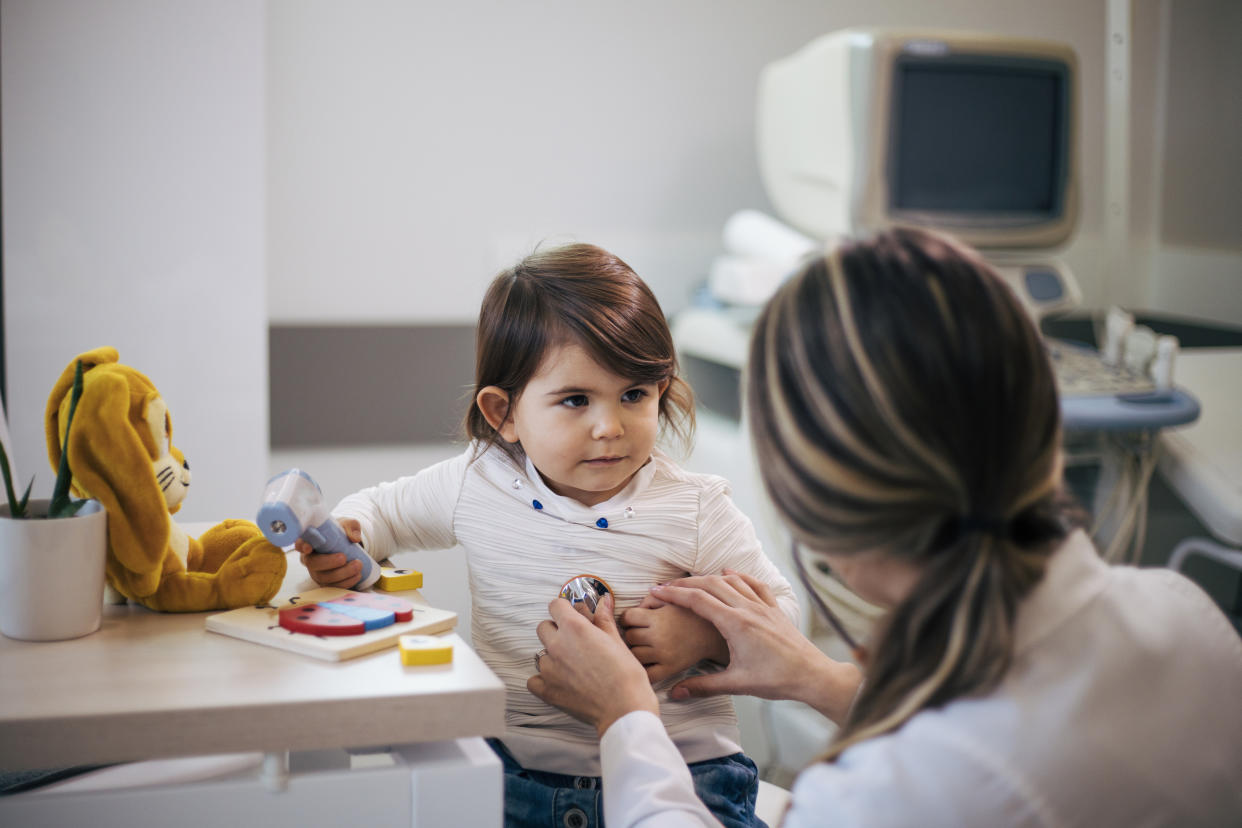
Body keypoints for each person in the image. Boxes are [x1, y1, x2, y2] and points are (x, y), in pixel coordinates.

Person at [528, 227, 1242, 827]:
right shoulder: (1187, 617)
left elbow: (966, 764)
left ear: (807, 496)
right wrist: (823, 680)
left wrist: (623, 716)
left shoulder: (889, 796)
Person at [299, 242, 799, 828]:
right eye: (576, 400)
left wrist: (704, 636)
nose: (609, 426)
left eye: (633, 395)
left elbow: (782, 619)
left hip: (689, 776)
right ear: (503, 413)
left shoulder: (693, 506)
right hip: (515, 774)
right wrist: (352, 534)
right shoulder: (476, 483)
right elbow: (382, 512)